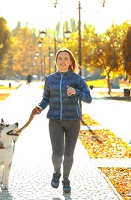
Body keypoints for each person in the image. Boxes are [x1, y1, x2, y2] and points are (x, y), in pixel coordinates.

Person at [33, 48, 92, 193]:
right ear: (56, 61)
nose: (63, 61)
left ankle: (66, 179)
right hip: (55, 120)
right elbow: (46, 98)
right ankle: (56, 172)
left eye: (66, 58)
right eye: (60, 58)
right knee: (57, 154)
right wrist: (40, 107)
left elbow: (88, 98)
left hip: (73, 121)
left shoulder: (77, 79)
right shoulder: (50, 79)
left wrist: (76, 92)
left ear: (71, 61)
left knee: (69, 154)